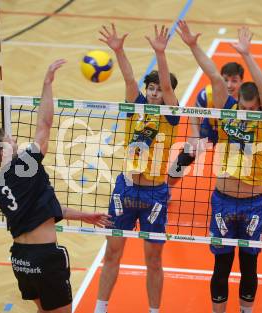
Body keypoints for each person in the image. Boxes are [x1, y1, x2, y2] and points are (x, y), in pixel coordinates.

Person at [0, 59, 112, 313]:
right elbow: (44, 126)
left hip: (21, 260)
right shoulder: (23, 167)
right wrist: (47, 83)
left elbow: (44, 211)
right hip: (44, 258)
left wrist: (84, 216)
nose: (15, 139)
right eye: (9, 139)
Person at [177, 21, 262, 313]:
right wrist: (193, 45)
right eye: (243, 109)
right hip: (222, 201)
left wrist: (247, 55)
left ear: (258, 106)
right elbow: (214, 77)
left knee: (249, 266)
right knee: (221, 266)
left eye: (251, 109)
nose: (245, 115)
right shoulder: (226, 112)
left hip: (252, 205)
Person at [94, 24, 179, 313]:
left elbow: (169, 87)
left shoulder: (170, 115)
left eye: (159, 90)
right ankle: (100, 308)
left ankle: (154, 310)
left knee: (153, 260)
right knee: (112, 253)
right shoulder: (135, 106)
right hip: (126, 189)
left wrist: (161, 52)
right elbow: (129, 78)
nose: (155, 93)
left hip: (155, 194)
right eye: (151, 88)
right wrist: (118, 50)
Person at [170, 55, 262, 217]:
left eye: (234, 81)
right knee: (186, 155)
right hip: (213, 131)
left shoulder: (252, 98)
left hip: (248, 135)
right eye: (226, 80)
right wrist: (194, 134)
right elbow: (195, 111)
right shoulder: (208, 94)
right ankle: (166, 190)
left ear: (241, 82)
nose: (229, 85)